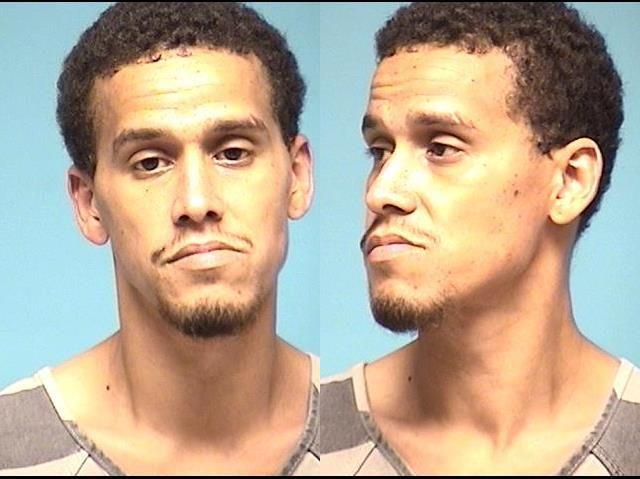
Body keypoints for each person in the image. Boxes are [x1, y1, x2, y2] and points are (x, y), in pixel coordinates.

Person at [320, 2, 639, 475]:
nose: (381, 191)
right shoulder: (308, 444)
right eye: (379, 150)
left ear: (570, 180)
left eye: (441, 148)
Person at [0, 2, 317, 475]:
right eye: (150, 162)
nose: (196, 201)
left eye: (232, 153)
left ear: (298, 176)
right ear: (88, 203)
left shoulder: (369, 431)